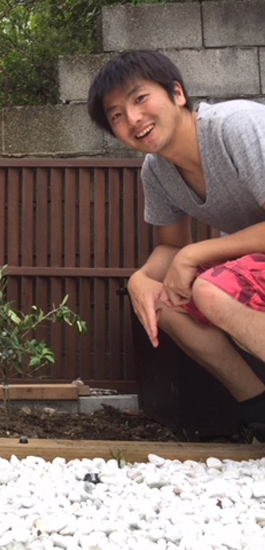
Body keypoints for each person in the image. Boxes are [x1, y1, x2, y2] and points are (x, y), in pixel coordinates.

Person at [87, 50, 265, 440]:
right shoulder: (157, 170)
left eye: (139, 99)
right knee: (163, 304)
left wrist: (196, 254)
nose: (133, 119)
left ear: (177, 94)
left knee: (211, 290)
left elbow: (186, 253)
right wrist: (141, 279)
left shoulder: (236, 127)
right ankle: (258, 409)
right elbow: (170, 245)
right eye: (116, 115)